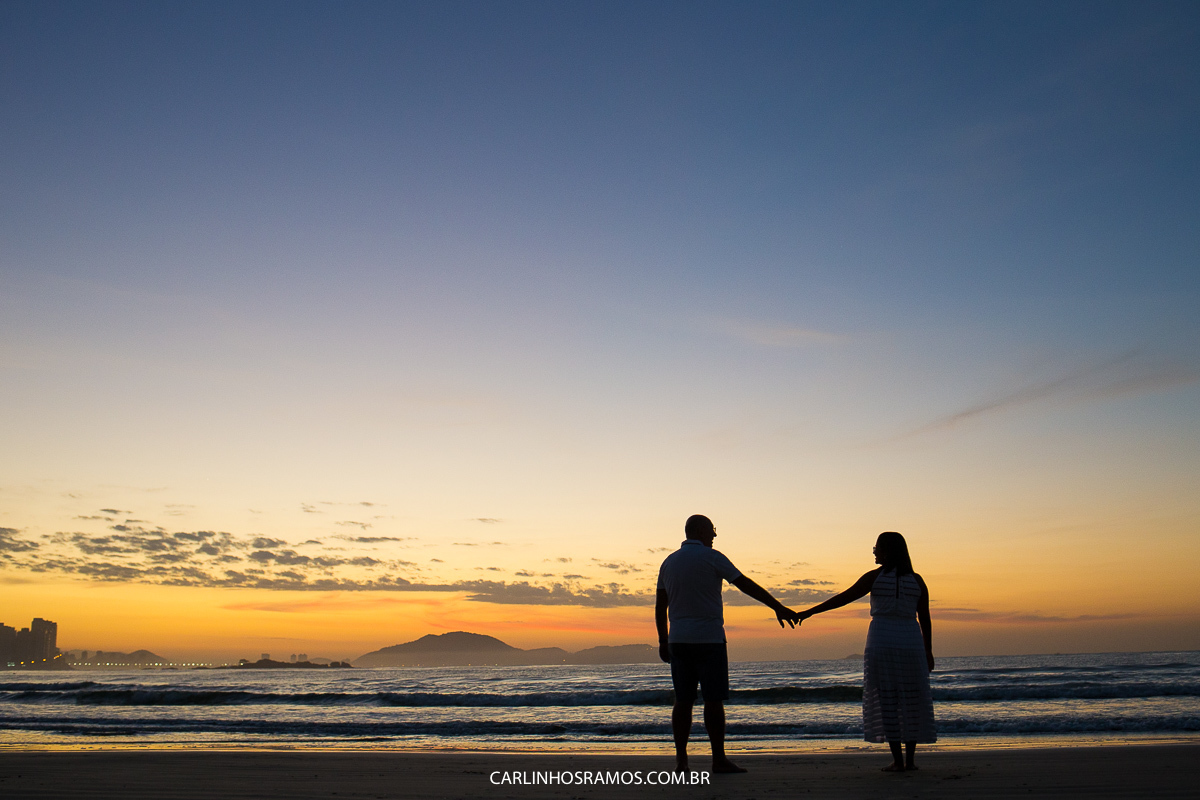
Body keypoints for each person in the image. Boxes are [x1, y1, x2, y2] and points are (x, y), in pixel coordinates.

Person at [655, 514, 799, 774]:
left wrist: (663, 639)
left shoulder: (668, 562)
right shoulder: (713, 557)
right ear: (699, 530)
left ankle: (681, 761)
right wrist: (777, 606)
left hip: (679, 639)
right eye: (712, 530)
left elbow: (660, 606)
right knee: (713, 699)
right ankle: (718, 759)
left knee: (683, 701)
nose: (714, 535)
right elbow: (745, 584)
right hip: (709, 640)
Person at [797, 531, 936, 772]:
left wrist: (809, 612)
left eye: (877, 547)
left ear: (887, 550)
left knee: (888, 698)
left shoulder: (874, 577)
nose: (873, 550)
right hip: (911, 642)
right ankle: (910, 761)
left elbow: (843, 598)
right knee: (912, 698)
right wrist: (928, 650)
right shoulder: (917, 580)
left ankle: (898, 761)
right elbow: (924, 617)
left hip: (881, 640)